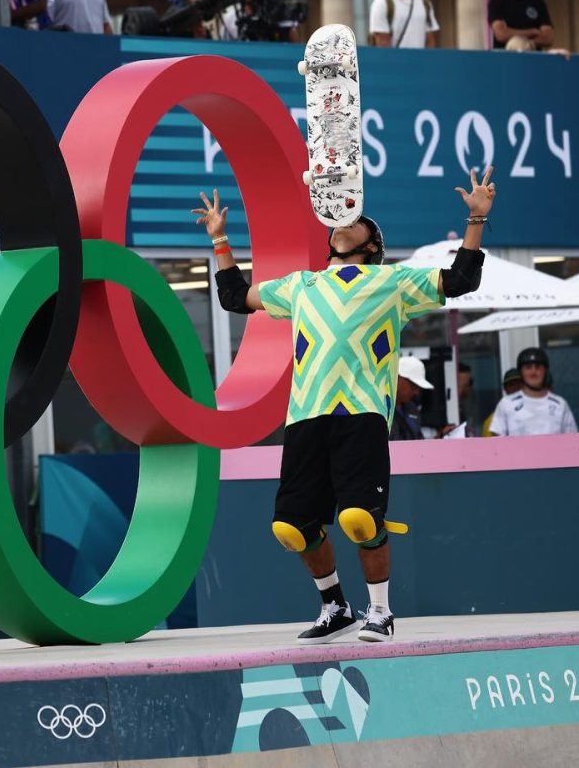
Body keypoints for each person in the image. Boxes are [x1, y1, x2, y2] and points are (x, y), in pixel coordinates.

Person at [193, 167, 495, 644]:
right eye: (337, 220)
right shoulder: (300, 286)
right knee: (292, 526)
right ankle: (335, 606)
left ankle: (380, 612)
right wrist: (220, 240)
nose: (341, 220)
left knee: (360, 519)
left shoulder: (393, 283)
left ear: (373, 243)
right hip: (305, 416)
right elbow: (233, 296)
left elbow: (460, 279)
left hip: (361, 414)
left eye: (355, 220)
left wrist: (476, 219)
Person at [488, 348, 578, 436]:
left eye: (538, 367)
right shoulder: (506, 404)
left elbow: (573, 441)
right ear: (521, 372)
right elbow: (497, 443)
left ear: (545, 371)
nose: (533, 372)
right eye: (528, 367)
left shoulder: (560, 405)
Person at [369, 0, 440, 49]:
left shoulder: (425, 3)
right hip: (395, 62)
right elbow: (382, 44)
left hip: (420, 61)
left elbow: (430, 42)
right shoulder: (381, 3)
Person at [488, 0, 553, 50]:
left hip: (533, 58)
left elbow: (548, 38)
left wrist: (529, 44)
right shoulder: (496, 2)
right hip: (505, 58)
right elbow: (501, 34)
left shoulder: (537, 2)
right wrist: (532, 32)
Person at [390, 356, 433, 441]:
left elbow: (418, 442)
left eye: (418, 388)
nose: (416, 393)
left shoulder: (412, 409)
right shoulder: (379, 409)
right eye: (414, 386)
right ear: (397, 378)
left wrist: (440, 437)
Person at [481, 368, 522, 435]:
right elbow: (490, 445)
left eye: (519, 383)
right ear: (505, 389)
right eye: (511, 385)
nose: (515, 387)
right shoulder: (492, 421)